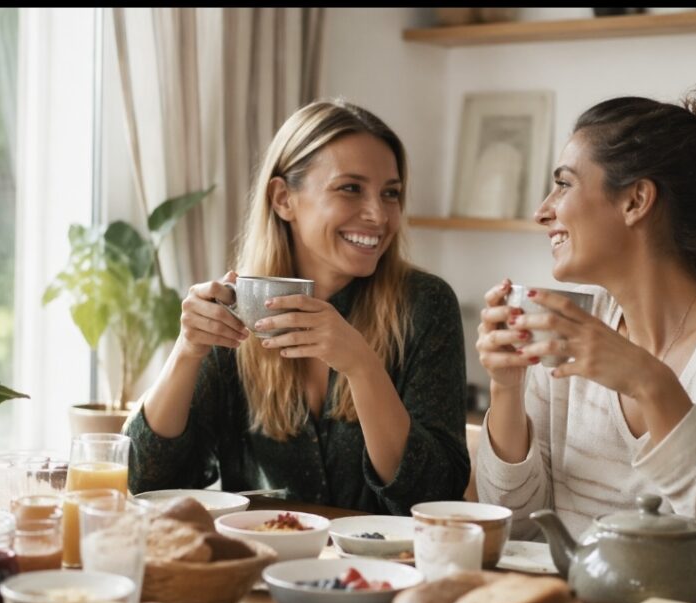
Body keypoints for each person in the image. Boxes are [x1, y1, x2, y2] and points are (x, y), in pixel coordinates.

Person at [475, 90, 696, 588]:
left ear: (636, 200)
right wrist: (506, 388)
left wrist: (649, 384)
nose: (543, 212)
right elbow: (518, 533)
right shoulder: (576, 328)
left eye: (563, 185)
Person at [126, 99, 469, 514]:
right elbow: (143, 480)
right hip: (259, 567)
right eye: (350, 188)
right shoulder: (236, 306)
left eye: (391, 194)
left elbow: (437, 497)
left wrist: (362, 367)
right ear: (283, 198)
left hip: (388, 574)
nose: (378, 215)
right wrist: (186, 352)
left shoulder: (426, 305)